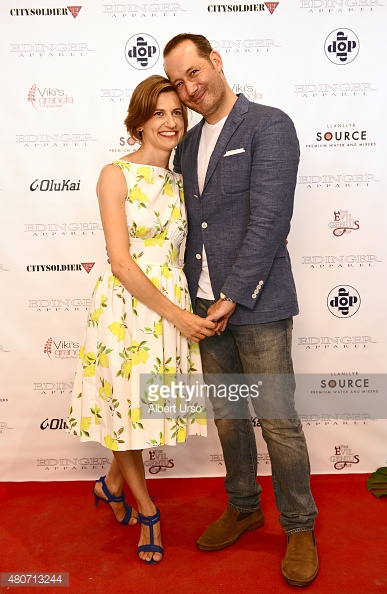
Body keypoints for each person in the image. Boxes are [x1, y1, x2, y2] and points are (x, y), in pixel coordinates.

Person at [163, 34, 319, 586]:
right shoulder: (184, 143)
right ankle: (245, 506)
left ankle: (300, 525)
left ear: (216, 62)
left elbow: (270, 220)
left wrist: (233, 296)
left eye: (195, 72)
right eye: (180, 82)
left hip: (256, 304)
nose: (190, 87)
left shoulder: (269, 126)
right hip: (204, 309)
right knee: (229, 420)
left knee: (277, 422)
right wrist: (200, 301)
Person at [67, 74, 216, 565]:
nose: (170, 122)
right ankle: (147, 510)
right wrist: (180, 316)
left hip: (170, 304)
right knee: (131, 409)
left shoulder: (180, 182)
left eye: (177, 113)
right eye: (159, 114)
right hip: (126, 311)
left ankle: (111, 484)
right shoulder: (115, 174)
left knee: (140, 410)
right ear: (139, 120)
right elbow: (122, 262)